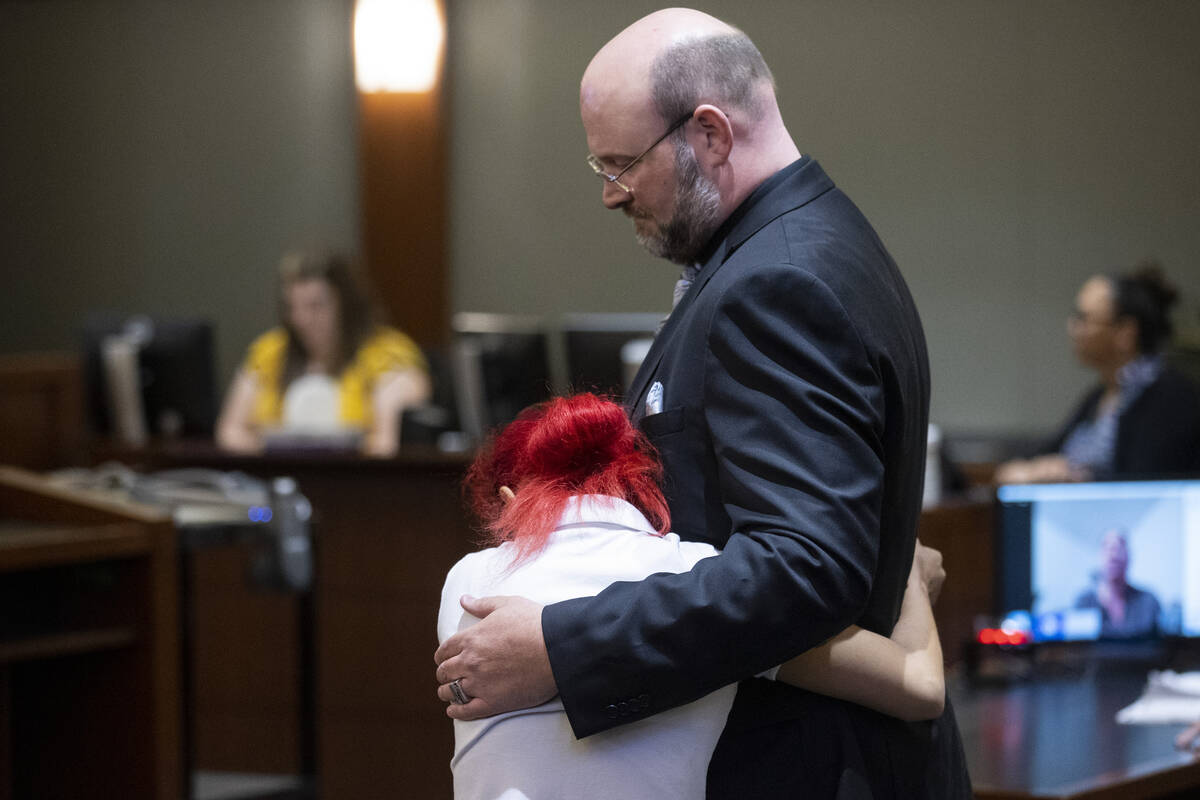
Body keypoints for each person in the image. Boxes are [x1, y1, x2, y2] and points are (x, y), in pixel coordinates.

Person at [435, 9, 972, 797]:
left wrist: (563, 647)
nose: (611, 197)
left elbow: (806, 567)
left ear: (712, 135)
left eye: (620, 166)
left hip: (811, 768)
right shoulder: (794, 248)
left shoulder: (777, 283)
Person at [440, 393, 947, 799]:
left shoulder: (468, 582)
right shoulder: (706, 581)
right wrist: (914, 577)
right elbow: (920, 688)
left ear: (509, 502)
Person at [996, 262, 1200, 484]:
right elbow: (1039, 456)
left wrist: (1073, 476)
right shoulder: (1100, 396)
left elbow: (1146, 484)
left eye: (1084, 319)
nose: (1072, 328)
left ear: (1125, 333)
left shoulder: (1171, 398)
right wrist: (1025, 470)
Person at [215, 250, 430, 457]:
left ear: (346, 305)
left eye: (316, 306)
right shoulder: (270, 352)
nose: (301, 320)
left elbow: (386, 444)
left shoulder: (388, 353)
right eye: (292, 307)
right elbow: (230, 431)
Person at [1073, 529, 1162, 638]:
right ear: (1099, 556)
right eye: (1106, 548)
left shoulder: (1148, 602)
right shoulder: (1084, 604)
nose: (1113, 554)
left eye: (1119, 548)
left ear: (1129, 557)